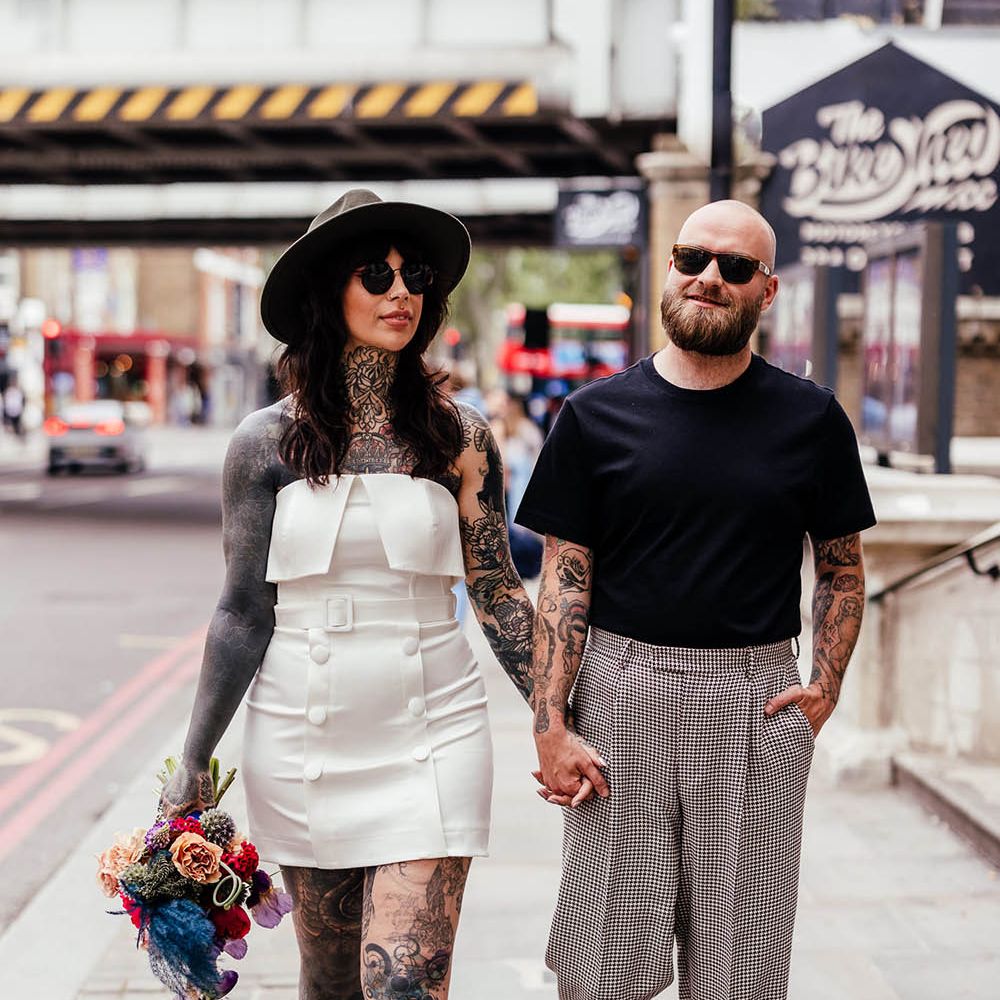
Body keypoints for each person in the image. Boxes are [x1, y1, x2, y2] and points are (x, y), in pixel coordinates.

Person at [159, 189, 536, 1000]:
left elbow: (499, 589)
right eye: (377, 274)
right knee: (330, 983)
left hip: (436, 727)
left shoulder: (461, 435)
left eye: (415, 275)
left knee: (402, 985)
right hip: (304, 737)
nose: (402, 292)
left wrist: (564, 716)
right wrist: (193, 760)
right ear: (329, 292)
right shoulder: (263, 444)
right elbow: (242, 611)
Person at [515, 200, 877, 1000]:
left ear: (766, 290)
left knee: (740, 976)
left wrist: (824, 687)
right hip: (620, 695)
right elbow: (564, 581)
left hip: (757, 700)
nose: (709, 277)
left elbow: (843, 568)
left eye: (735, 267)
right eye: (692, 259)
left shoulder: (812, 419)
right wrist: (550, 726)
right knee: (602, 970)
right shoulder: (592, 416)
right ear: (669, 269)